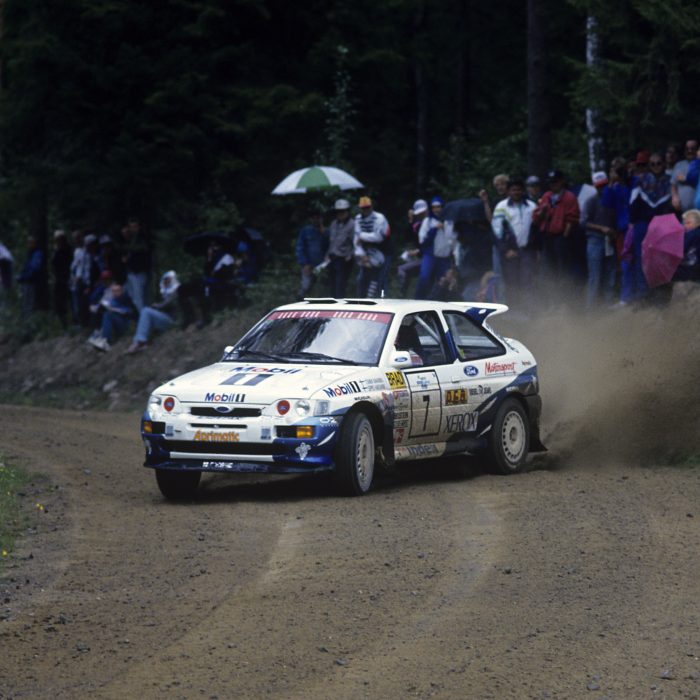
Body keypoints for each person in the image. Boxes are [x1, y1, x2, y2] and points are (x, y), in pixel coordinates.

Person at [625, 152, 673, 302]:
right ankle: (643, 294)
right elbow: (633, 203)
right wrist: (633, 222)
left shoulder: (669, 181)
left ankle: (661, 293)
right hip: (643, 224)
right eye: (652, 164)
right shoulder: (641, 181)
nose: (656, 166)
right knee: (642, 258)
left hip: (662, 223)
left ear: (663, 164)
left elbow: (672, 204)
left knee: (661, 258)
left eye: (658, 163)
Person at [491, 178, 537, 306]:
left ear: (523, 191)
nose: (516, 192)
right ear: (509, 191)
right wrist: (505, 250)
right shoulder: (501, 206)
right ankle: (512, 311)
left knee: (527, 281)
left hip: (527, 250)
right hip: (510, 252)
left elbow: (536, 229)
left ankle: (528, 311)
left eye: (519, 190)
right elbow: (496, 231)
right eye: (513, 190)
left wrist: (536, 248)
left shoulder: (532, 206)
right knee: (511, 283)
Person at [532, 170, 580, 290]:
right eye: (551, 182)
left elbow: (572, 219)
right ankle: (551, 295)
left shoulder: (569, 197)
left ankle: (564, 295)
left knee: (563, 268)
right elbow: (536, 217)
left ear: (561, 182)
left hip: (561, 237)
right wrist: (542, 211)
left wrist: (565, 237)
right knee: (548, 267)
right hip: (547, 236)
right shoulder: (546, 196)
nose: (553, 185)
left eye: (555, 182)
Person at [584, 171, 617, 308]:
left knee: (610, 275)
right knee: (595, 277)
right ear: (595, 187)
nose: (602, 189)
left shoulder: (613, 200)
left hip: (610, 240)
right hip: (595, 240)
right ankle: (591, 309)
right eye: (599, 186)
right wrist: (601, 228)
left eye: (604, 185)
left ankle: (608, 306)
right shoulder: (591, 201)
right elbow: (584, 222)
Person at [126, 271, 180, 353]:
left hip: (172, 320)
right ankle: (141, 342)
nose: (166, 281)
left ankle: (140, 342)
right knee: (146, 314)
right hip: (165, 317)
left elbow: (168, 304)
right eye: (165, 280)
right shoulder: (164, 291)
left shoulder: (176, 290)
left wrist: (157, 305)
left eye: (168, 279)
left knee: (146, 311)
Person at [414, 196, 455, 299]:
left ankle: (439, 302)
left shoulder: (449, 221)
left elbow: (452, 238)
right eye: (434, 207)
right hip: (430, 255)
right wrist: (434, 229)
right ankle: (418, 299)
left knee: (443, 282)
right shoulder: (428, 221)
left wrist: (444, 228)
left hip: (444, 257)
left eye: (439, 207)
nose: (436, 210)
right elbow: (422, 240)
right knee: (424, 277)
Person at [354, 196, 390, 298]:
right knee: (361, 279)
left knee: (381, 279)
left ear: (371, 207)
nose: (366, 210)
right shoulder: (358, 219)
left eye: (367, 207)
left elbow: (378, 237)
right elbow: (356, 241)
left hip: (384, 251)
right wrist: (362, 256)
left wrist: (362, 236)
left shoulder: (380, 218)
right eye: (363, 208)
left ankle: (383, 300)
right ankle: (361, 301)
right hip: (367, 253)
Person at [87, 282, 135, 352]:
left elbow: (128, 311)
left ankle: (106, 341)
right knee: (102, 313)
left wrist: (115, 310)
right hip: (114, 324)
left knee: (108, 314)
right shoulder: (112, 300)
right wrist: (94, 307)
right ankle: (97, 336)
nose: (115, 293)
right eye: (113, 291)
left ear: (122, 291)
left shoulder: (125, 299)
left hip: (124, 324)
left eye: (117, 291)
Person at [397, 199, 427, 297]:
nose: (421, 215)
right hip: (420, 256)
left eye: (422, 213)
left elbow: (427, 245)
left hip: (427, 257)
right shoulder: (416, 224)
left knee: (402, 269)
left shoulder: (429, 223)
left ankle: (403, 295)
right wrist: (410, 220)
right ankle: (402, 296)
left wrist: (417, 252)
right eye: (419, 214)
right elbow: (408, 238)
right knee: (405, 270)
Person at [120, 218, 152, 311]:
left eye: (135, 226)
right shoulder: (130, 240)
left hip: (139, 272)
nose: (133, 229)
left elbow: (143, 249)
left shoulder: (142, 238)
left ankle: (143, 316)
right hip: (130, 272)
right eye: (131, 227)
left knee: (139, 297)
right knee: (131, 295)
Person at [325, 199, 354, 298]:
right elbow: (331, 242)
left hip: (344, 259)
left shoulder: (352, 224)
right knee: (332, 284)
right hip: (332, 257)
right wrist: (327, 255)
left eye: (343, 211)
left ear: (347, 211)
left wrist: (350, 254)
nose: (340, 213)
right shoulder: (334, 224)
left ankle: (340, 303)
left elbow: (355, 242)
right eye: (338, 211)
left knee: (340, 284)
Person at [295, 210, 327, 298]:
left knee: (320, 287)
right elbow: (300, 248)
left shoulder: (326, 231)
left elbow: (330, 247)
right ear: (311, 219)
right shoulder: (306, 231)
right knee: (305, 286)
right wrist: (304, 263)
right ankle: (300, 300)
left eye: (318, 218)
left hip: (322, 266)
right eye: (314, 218)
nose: (316, 220)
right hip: (308, 265)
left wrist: (324, 233)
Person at [17, 236, 46, 314]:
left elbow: (34, 268)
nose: (29, 244)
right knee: (25, 301)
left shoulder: (37, 254)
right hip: (26, 281)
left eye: (31, 243)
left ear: (35, 243)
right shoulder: (30, 254)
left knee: (29, 302)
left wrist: (24, 277)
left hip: (31, 281)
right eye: (28, 243)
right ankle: (26, 317)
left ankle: (29, 318)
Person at [51, 230, 73, 325]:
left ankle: (70, 320)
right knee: (58, 300)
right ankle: (61, 321)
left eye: (59, 239)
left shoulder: (67, 249)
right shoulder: (56, 250)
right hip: (58, 277)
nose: (58, 241)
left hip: (66, 277)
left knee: (67, 299)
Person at [671, 139, 698, 213]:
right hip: (681, 212)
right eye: (687, 148)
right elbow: (673, 185)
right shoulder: (678, 165)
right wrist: (675, 197)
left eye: (693, 148)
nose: (690, 151)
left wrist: (686, 179)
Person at [674, 209, 700, 282]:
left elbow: (682, 248)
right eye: (684, 223)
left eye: (688, 223)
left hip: (691, 267)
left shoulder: (692, 234)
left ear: (698, 223)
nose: (685, 225)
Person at [0, 241, 14, 307]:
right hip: (3, 280)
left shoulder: (4, 253)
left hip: (3, 280)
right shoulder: (4, 251)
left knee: (3, 295)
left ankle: (3, 308)